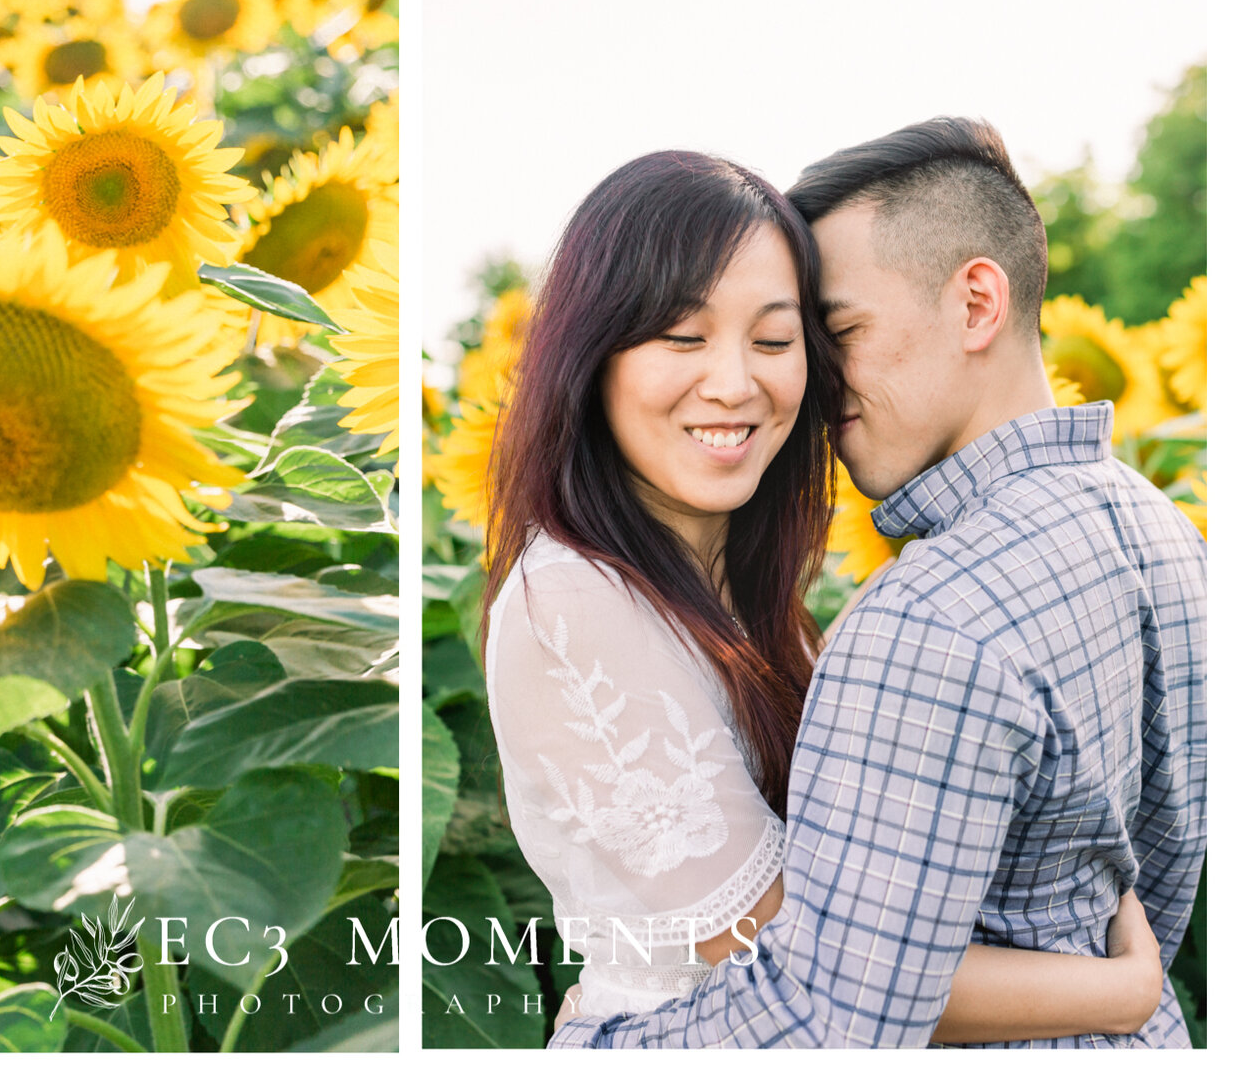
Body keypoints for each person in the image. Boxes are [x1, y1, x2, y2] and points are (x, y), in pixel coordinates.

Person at [482, 146, 1196, 1048]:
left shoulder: (747, 588)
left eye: (779, 341)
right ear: (594, 354)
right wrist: (1119, 993)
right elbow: (823, 973)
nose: (738, 384)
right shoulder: (574, 603)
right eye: (682, 336)